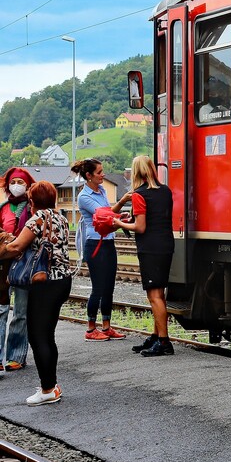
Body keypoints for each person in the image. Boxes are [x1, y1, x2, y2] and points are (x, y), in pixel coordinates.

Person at [0, 181, 72, 405]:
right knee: (47, 335)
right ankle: (51, 384)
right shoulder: (60, 217)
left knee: (38, 336)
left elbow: (16, 247)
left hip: (45, 283)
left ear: (32, 201)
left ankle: (48, 389)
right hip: (62, 281)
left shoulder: (38, 218)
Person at [115, 155, 175, 357]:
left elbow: (140, 227)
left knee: (154, 295)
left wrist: (120, 223)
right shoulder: (165, 191)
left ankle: (164, 342)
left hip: (150, 247)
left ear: (136, 172)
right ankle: (157, 335)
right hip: (166, 244)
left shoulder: (139, 195)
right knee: (159, 293)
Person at [72, 158, 128, 341]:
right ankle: (90, 329)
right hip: (95, 244)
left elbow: (110, 216)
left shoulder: (102, 190)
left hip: (108, 241)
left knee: (109, 287)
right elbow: (104, 215)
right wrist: (123, 204)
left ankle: (106, 326)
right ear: (89, 176)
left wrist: (120, 217)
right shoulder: (84, 197)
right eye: (99, 172)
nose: (103, 174)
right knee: (98, 288)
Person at [0, 167, 33, 371]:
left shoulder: (32, 207)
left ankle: (16, 356)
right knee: (1, 309)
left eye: (21, 182)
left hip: (24, 263)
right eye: (14, 182)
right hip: (3, 265)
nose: (17, 186)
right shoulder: (3, 207)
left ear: (28, 185)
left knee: (21, 311)